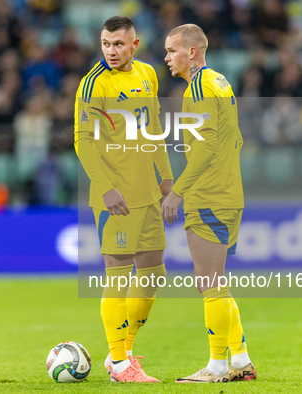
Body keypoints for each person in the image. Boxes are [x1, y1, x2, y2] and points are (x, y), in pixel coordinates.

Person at [74, 16, 173, 383]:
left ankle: (125, 351)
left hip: (146, 194)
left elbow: (154, 131)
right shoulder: (93, 84)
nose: (110, 51)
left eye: (117, 44)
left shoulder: (148, 74)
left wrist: (165, 178)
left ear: (134, 44)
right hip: (113, 198)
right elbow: (83, 142)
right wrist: (104, 187)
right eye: (105, 44)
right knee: (116, 277)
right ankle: (118, 365)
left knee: (153, 274)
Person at [161, 24, 257, 383]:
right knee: (218, 284)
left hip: (209, 200)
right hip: (230, 197)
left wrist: (177, 193)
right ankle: (241, 360)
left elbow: (202, 153)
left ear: (192, 52)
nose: (167, 58)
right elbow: (237, 139)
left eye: (172, 50)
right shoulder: (221, 82)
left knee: (210, 284)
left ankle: (217, 366)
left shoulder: (199, 87)